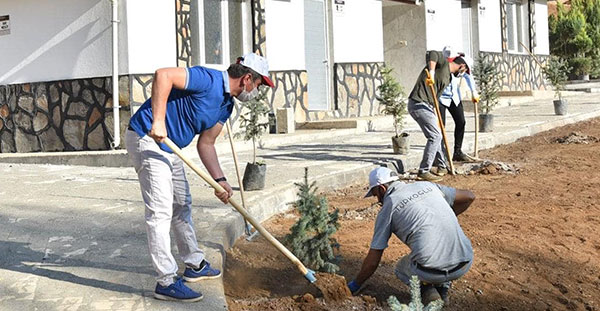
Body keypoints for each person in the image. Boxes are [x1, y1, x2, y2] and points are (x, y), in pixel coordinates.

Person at [125, 53, 274, 302]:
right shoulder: (207, 79)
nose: (256, 92)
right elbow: (163, 75)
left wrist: (220, 180)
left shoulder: (226, 105)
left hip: (170, 147)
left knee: (182, 204)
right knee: (160, 211)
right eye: (258, 86)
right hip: (148, 138)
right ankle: (166, 281)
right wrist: (159, 120)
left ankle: (194, 264)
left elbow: (207, 143)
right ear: (247, 78)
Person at [347, 167, 475, 305]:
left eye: (375, 194)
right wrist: (445, 216)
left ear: (382, 189)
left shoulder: (389, 207)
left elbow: (373, 261)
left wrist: (355, 284)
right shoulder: (427, 185)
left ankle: (427, 291)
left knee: (401, 268)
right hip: (464, 262)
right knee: (441, 249)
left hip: (431, 271)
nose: (378, 200)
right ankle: (443, 289)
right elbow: (469, 196)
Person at [408, 50, 471, 182]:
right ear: (462, 65)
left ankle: (442, 166)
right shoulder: (443, 65)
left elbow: (437, 95)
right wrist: (431, 72)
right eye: (465, 70)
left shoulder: (448, 77)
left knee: (437, 134)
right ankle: (424, 171)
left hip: (428, 106)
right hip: (418, 103)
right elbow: (432, 54)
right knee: (435, 136)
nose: (463, 73)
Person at [438, 46, 479, 164]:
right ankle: (441, 155)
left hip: (454, 98)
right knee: (441, 127)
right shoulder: (442, 65)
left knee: (461, 122)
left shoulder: (461, 65)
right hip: (440, 98)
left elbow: (468, 77)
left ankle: (457, 151)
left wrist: (473, 92)